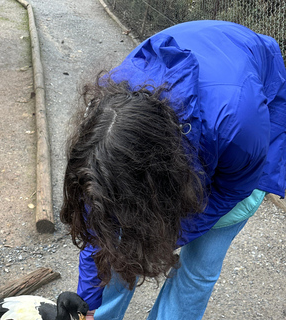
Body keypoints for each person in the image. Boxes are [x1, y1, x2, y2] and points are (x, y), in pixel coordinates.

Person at [60, 20, 286, 320]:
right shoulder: (107, 120)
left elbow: (233, 190)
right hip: (193, 107)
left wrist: (158, 241)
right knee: (117, 246)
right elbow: (97, 226)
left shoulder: (239, 125)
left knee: (200, 265)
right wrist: (86, 305)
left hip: (240, 119)